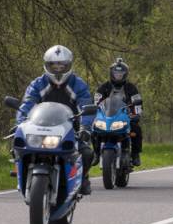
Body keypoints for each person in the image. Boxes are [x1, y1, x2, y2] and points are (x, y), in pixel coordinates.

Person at [17, 45, 95, 195]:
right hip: (39, 129)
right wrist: (20, 124)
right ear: (47, 65)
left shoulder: (78, 85)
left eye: (62, 65)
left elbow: (85, 106)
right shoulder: (38, 84)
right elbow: (27, 105)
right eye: (54, 65)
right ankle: (22, 175)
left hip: (71, 130)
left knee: (86, 153)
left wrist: (85, 127)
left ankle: (82, 179)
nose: (58, 69)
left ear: (69, 65)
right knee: (18, 148)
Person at [95, 58, 143, 166]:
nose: (118, 76)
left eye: (120, 74)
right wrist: (95, 112)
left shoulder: (131, 88)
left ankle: (135, 154)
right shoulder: (104, 87)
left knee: (136, 129)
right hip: (106, 117)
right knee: (94, 130)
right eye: (116, 73)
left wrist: (136, 114)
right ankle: (96, 153)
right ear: (112, 74)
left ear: (125, 74)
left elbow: (137, 102)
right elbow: (96, 102)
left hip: (125, 116)